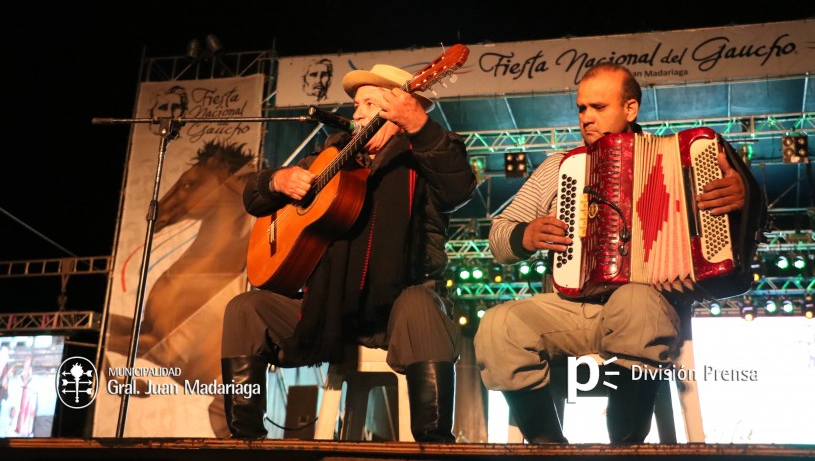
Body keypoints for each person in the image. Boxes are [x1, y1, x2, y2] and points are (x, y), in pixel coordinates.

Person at [474, 64, 766, 444]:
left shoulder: (685, 159)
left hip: (650, 311)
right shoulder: (560, 166)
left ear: (630, 109)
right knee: (499, 325)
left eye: (597, 107)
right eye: (581, 108)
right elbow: (497, 235)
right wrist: (524, 235)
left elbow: (750, 232)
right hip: (572, 311)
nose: (586, 118)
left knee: (635, 301)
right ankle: (549, 448)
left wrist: (746, 200)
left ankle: (623, 450)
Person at [221, 63, 477, 441]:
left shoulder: (426, 154)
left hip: (397, 313)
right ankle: (245, 442)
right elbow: (254, 198)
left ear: (397, 108)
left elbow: (458, 188)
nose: (355, 113)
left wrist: (420, 127)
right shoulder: (331, 158)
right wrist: (275, 180)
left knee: (423, 305)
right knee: (244, 310)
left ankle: (434, 445)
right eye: (355, 104)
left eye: (368, 103)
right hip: (326, 312)